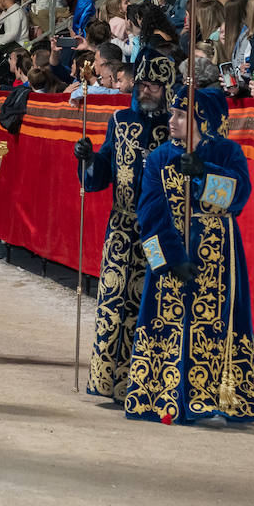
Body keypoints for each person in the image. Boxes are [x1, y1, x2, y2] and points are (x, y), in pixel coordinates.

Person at [125, 86, 254, 424]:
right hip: (172, 253)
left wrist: (204, 172)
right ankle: (163, 392)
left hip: (220, 256)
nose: (172, 120)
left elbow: (240, 198)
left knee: (218, 324)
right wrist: (169, 258)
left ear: (202, 119)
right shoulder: (159, 157)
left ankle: (219, 397)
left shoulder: (229, 152)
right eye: (172, 113)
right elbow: (149, 214)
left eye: (181, 114)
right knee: (166, 319)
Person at [74, 49, 175, 401]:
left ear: (167, 89)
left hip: (159, 233)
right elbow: (102, 171)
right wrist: (88, 160)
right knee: (114, 304)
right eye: (142, 84)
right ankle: (109, 381)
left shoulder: (175, 127)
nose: (146, 91)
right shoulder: (120, 121)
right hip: (121, 228)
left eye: (154, 86)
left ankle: (145, 383)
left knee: (153, 305)